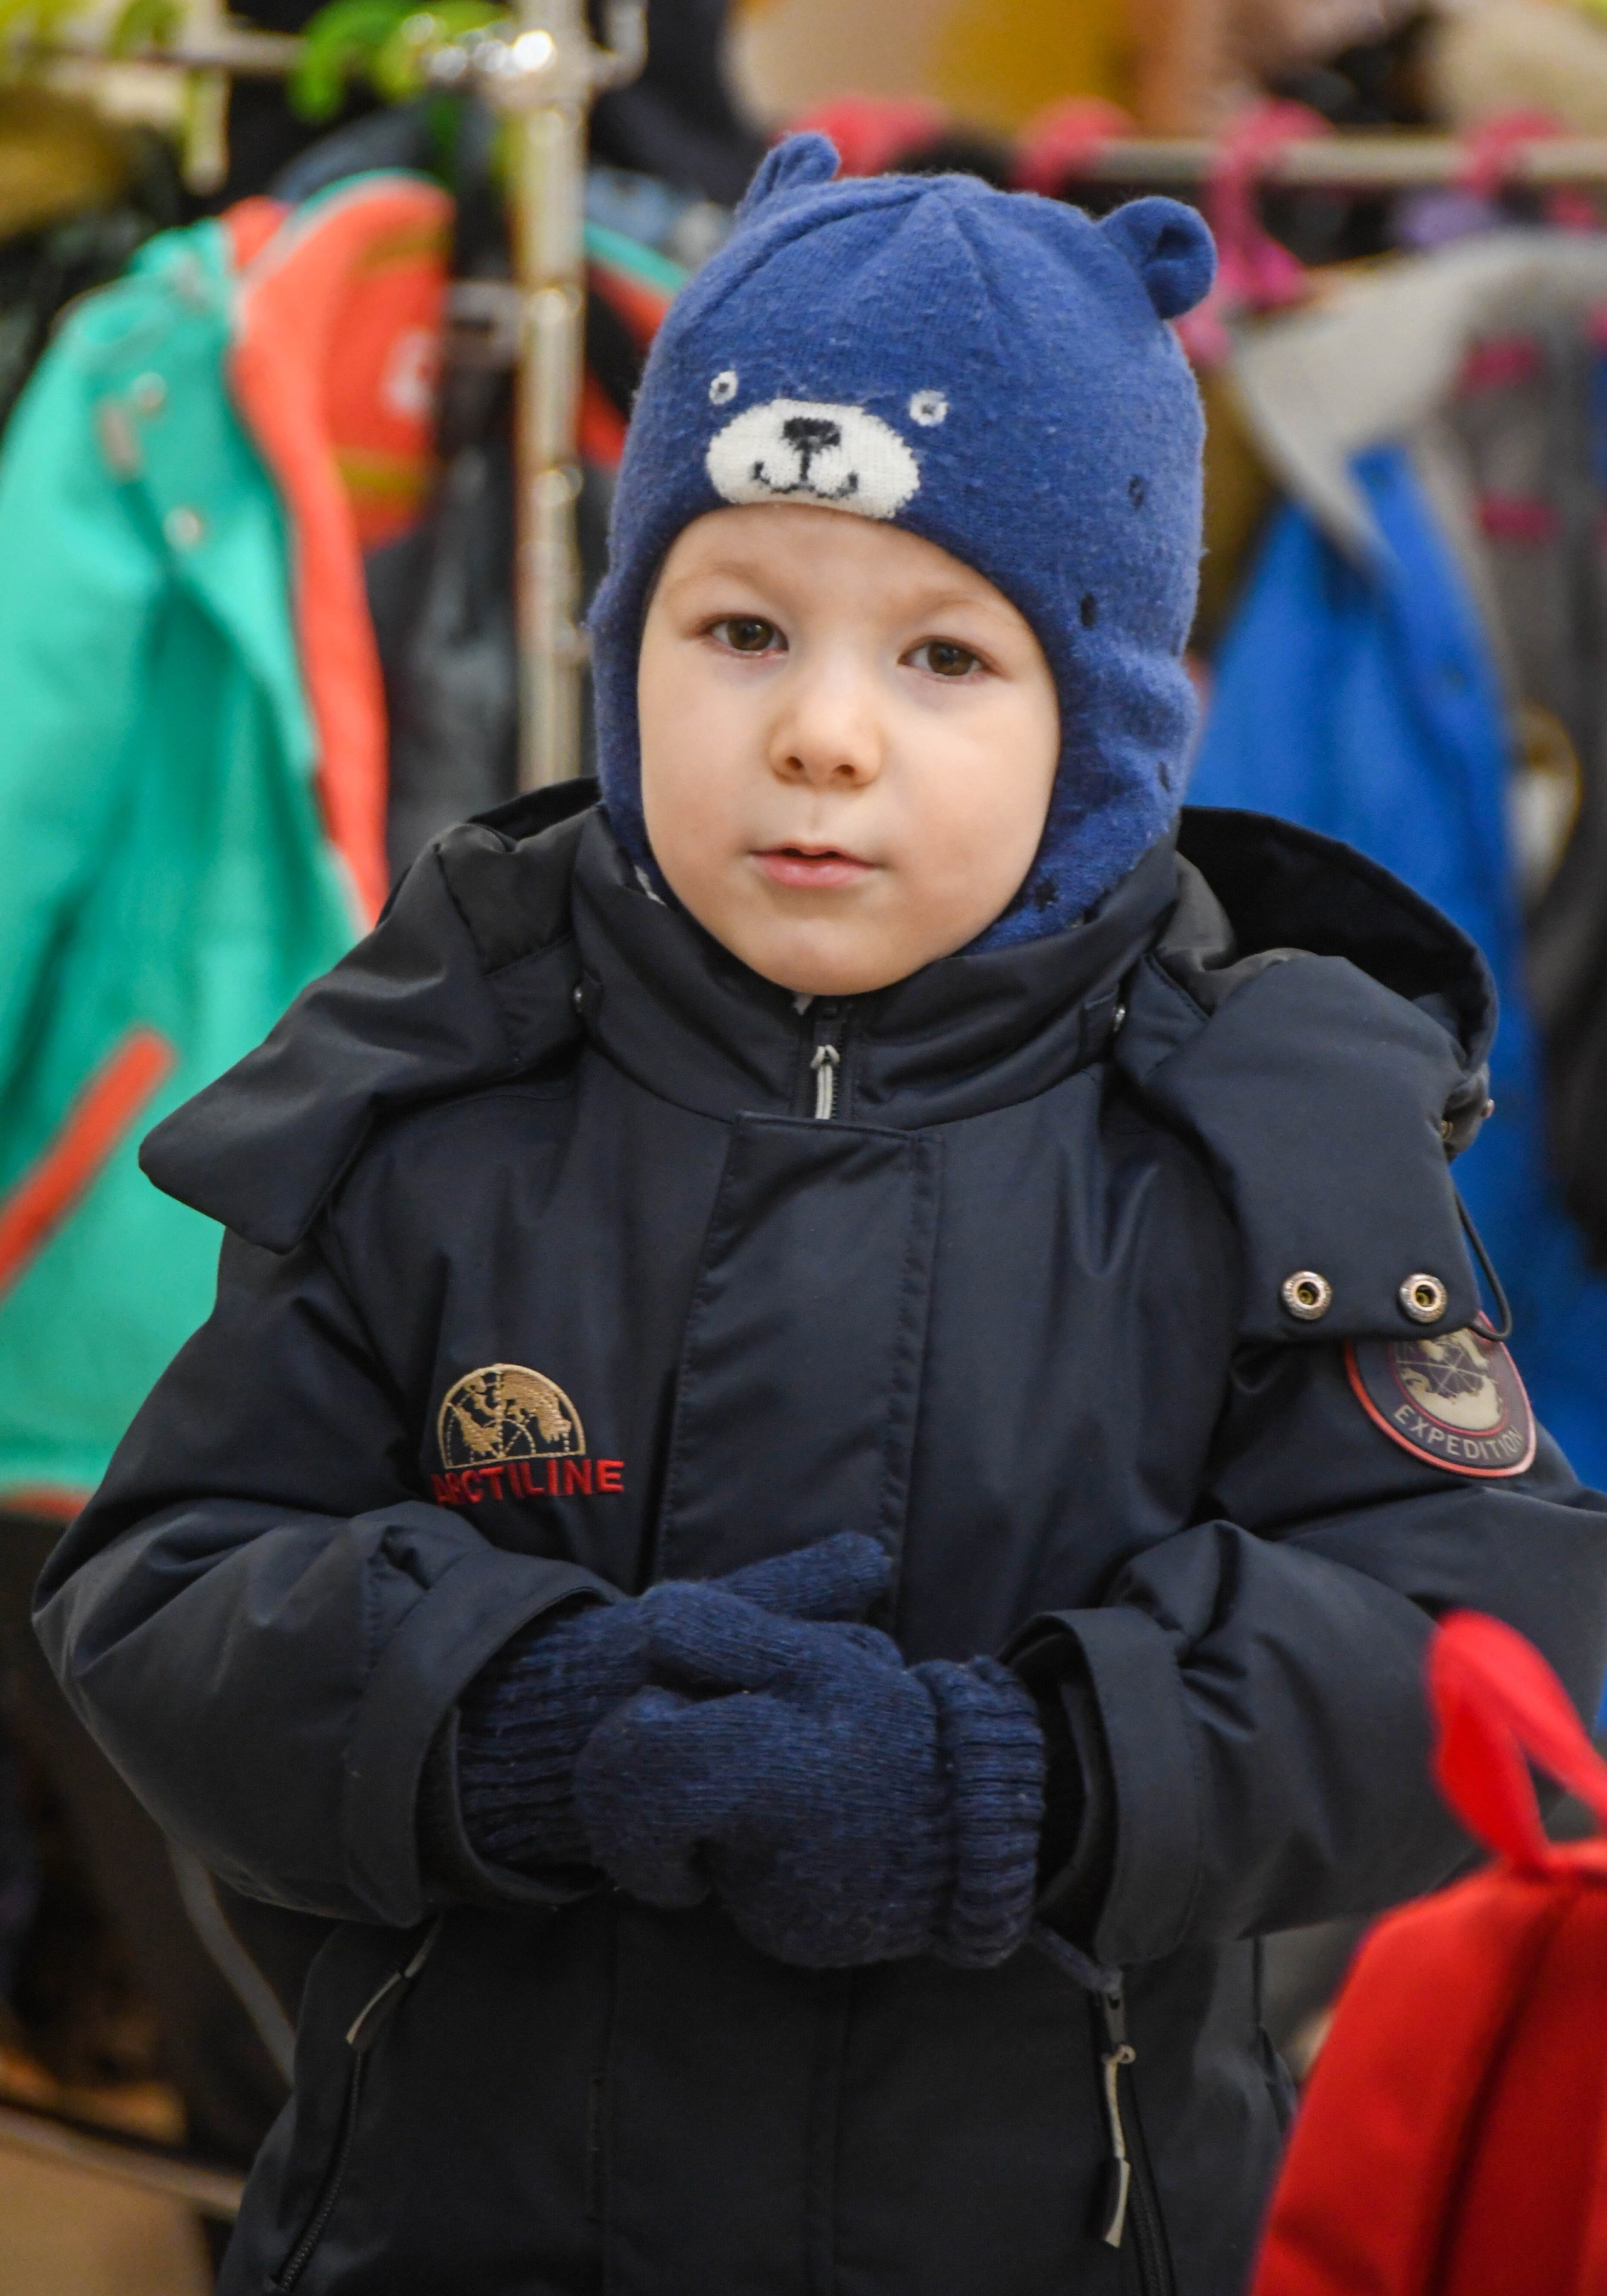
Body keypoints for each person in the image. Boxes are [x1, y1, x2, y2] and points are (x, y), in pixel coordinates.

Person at [32, 135, 1607, 2296]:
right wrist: (514, 1724)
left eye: (947, 659)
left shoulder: (1261, 1132)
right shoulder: (440, 1087)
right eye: (741, 627)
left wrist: (1026, 1775)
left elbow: (1482, 1634)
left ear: (1112, 723)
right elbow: (167, 1601)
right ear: (626, 645)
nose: (823, 737)